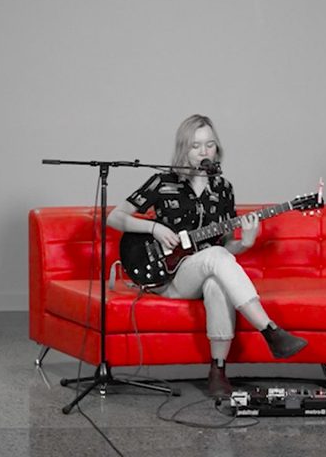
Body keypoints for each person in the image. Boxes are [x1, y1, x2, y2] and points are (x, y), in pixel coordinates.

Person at [106, 114, 308, 396]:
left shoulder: (223, 189)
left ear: (217, 149)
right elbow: (115, 218)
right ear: (183, 149)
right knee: (214, 260)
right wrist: (154, 228)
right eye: (195, 146)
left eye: (210, 145)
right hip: (167, 276)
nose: (203, 152)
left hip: (203, 272)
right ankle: (270, 330)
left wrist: (246, 243)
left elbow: (224, 250)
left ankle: (218, 371)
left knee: (216, 283)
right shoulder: (162, 182)